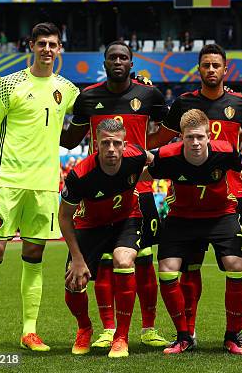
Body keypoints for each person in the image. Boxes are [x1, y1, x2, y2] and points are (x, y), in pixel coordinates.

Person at [0, 22, 79, 353]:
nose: (46, 49)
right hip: (7, 184)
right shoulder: (7, 85)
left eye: (52, 44)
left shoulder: (67, 89)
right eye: (41, 43)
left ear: (59, 50)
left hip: (43, 188)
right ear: (31, 45)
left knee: (34, 255)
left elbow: (95, 107)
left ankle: (29, 332)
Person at [150, 43, 242, 348]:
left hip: (227, 198)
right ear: (199, 69)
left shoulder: (241, 104)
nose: (211, 70)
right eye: (206, 65)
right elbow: (160, 141)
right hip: (186, 197)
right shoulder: (182, 104)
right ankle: (187, 332)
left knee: (234, 264)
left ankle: (236, 332)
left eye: (216, 65)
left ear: (225, 69)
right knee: (189, 267)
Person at [60, 40, 169, 349]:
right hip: (99, 190)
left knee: (144, 261)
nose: (118, 61)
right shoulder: (89, 96)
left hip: (140, 189)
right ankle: (108, 328)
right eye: (113, 57)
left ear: (131, 63)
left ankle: (148, 328)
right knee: (106, 264)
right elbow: (70, 141)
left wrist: (150, 142)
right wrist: (46, 120)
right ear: (104, 62)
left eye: (124, 57)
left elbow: (171, 129)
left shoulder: (149, 94)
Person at [146, 109, 242, 355]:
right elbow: (145, 171)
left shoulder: (226, 151)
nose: (195, 142)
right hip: (181, 217)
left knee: (235, 264)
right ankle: (183, 336)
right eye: (190, 138)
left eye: (200, 137)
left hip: (221, 215)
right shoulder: (167, 156)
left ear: (209, 136)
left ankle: (233, 336)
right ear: (181, 137)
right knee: (167, 269)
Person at [60, 119, 150, 358]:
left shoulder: (137, 156)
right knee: (74, 281)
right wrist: (77, 259)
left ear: (125, 145)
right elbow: (65, 217)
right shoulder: (79, 175)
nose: (111, 148)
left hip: (127, 220)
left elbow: (155, 161)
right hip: (91, 225)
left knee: (123, 260)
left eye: (116, 143)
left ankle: (121, 336)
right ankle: (84, 328)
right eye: (105, 143)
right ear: (95, 145)